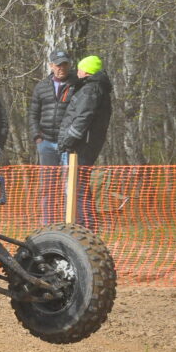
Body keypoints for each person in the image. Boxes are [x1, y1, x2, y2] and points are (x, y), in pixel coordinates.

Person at [58, 55, 113, 229]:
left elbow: (83, 118)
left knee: (77, 187)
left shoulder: (90, 90)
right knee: (79, 186)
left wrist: (68, 139)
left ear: (87, 71)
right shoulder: (93, 88)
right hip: (84, 144)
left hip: (80, 145)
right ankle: (84, 223)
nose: (77, 72)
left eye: (80, 69)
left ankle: (85, 225)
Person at [29, 49, 77, 223]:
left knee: (69, 186)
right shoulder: (41, 86)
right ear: (51, 66)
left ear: (69, 65)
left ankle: (67, 223)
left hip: (68, 144)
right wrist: (37, 136)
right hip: (46, 142)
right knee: (48, 185)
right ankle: (47, 223)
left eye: (64, 64)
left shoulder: (77, 84)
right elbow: (33, 114)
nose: (61, 68)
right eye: (58, 65)